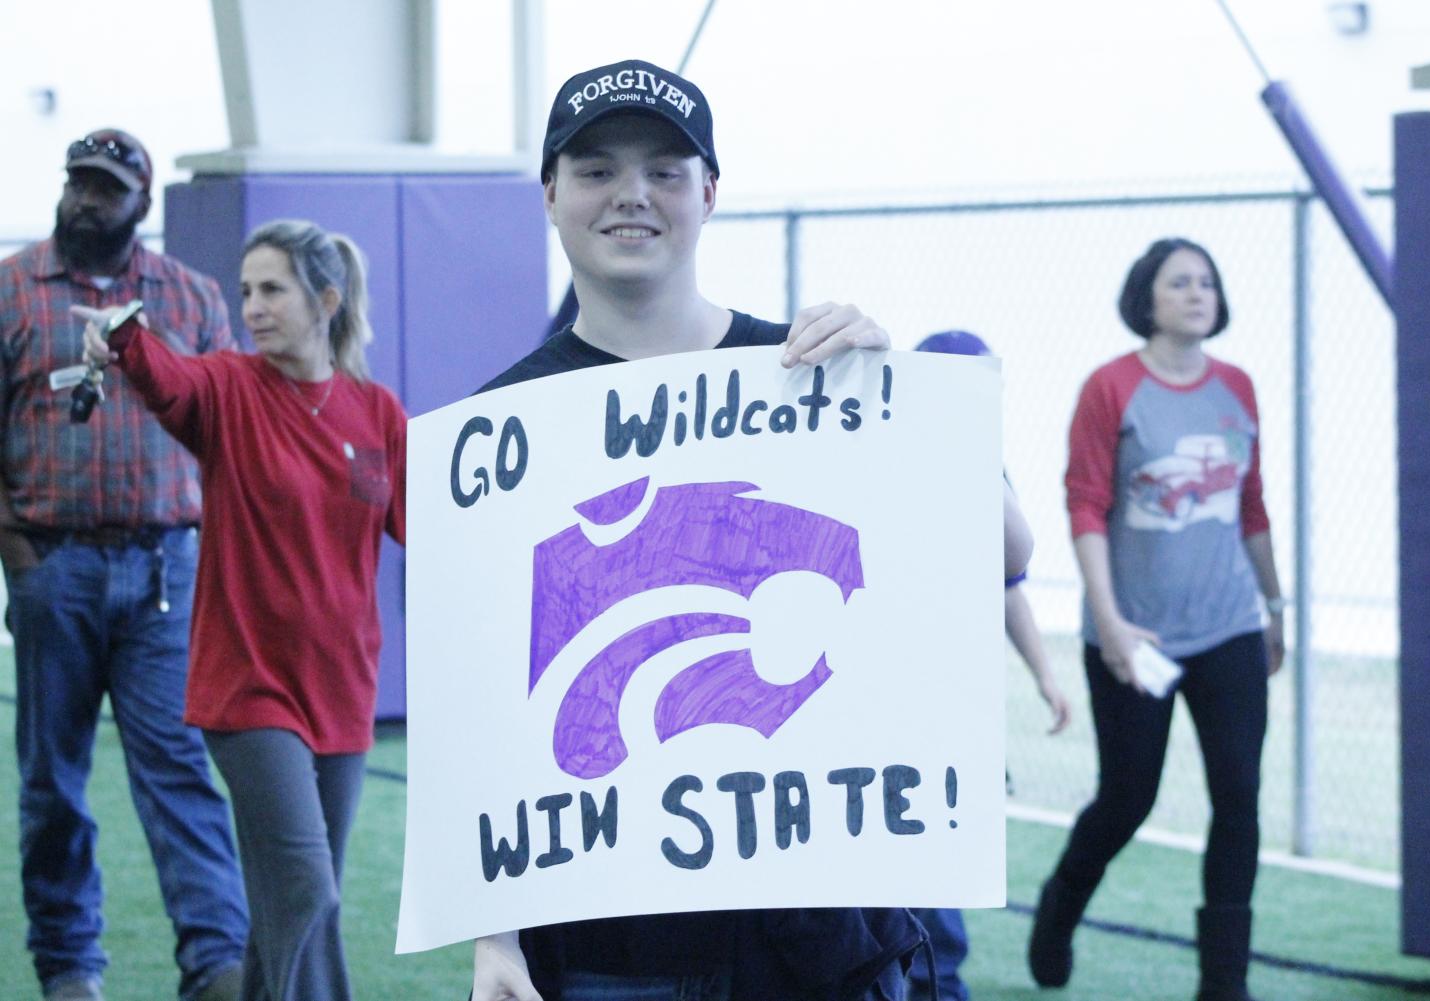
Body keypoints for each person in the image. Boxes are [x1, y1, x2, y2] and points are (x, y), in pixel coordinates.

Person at [468, 59, 1034, 1001]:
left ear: (709, 193)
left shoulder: (814, 370)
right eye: (597, 169)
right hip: (612, 936)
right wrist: (495, 935)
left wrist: (904, 403)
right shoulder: (501, 430)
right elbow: (484, 699)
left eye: (664, 170)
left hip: (816, 929)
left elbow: (1006, 554)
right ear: (551, 195)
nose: (631, 196)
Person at [77, 219, 406, 1001]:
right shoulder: (227, 387)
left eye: (271, 290)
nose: (251, 306)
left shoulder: (377, 412)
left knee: (279, 907)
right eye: (246, 290)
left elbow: (430, 522)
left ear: (325, 299)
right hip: (250, 688)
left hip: (344, 689)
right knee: (308, 890)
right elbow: (169, 382)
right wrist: (125, 338)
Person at [0, 129, 247, 1001]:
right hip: (52, 566)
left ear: (142, 203)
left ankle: (217, 962)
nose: (86, 200)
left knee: (180, 771)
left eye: (106, 188)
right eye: (78, 183)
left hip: (165, 573)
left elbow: (230, 428)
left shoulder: (189, 297)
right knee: (52, 781)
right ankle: (69, 967)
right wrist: (15, 545)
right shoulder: (11, 290)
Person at [1027, 238, 1285, 1001]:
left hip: (1230, 627)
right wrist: (1107, 620)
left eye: (1206, 281)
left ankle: (1222, 983)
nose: (1196, 293)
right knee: (1127, 798)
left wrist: (1274, 607)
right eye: (1179, 283)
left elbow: (1251, 505)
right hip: (1133, 635)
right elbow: (1085, 504)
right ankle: (1059, 905)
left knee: (1237, 794)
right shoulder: (1110, 387)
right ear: (1147, 298)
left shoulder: (1236, 387)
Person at [908, 330, 1070, 1001]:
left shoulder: (985, 469)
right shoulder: (888, 454)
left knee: (943, 862)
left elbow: (1008, 579)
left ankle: (938, 982)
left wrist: (1044, 673)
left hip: (955, 708)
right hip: (895, 704)